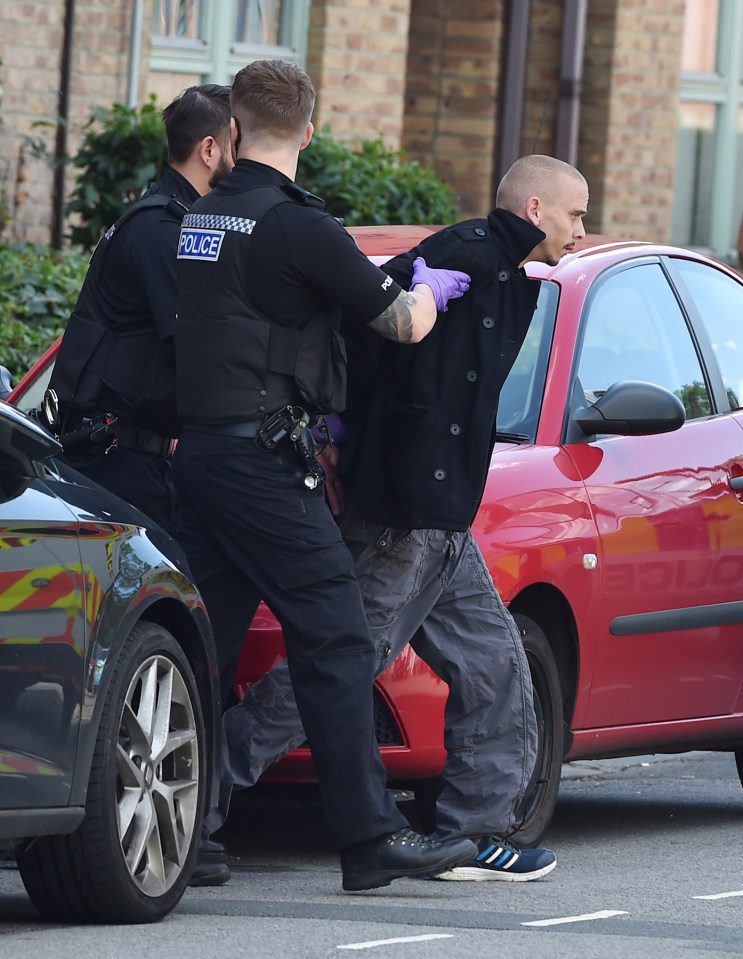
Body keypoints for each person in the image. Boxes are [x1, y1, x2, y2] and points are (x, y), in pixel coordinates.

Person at [213, 154, 590, 882]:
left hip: (438, 513)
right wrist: (339, 439)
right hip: (404, 514)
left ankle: (474, 832)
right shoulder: (468, 260)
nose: (581, 231)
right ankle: (201, 787)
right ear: (536, 207)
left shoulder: (497, 267)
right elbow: (360, 330)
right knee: (337, 667)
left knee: (494, 662)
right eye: (574, 215)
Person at [170, 58, 476, 893]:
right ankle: (369, 838)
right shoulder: (300, 226)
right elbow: (403, 323)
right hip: (262, 464)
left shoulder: (202, 214)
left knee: (207, 641)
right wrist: (434, 291)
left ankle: (188, 830)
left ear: (232, 130)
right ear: (309, 129)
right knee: (337, 637)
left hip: (197, 456)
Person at [44, 84, 233, 534]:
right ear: (209, 150)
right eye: (238, 146)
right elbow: (199, 348)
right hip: (117, 459)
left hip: (133, 455)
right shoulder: (161, 231)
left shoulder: (168, 221)